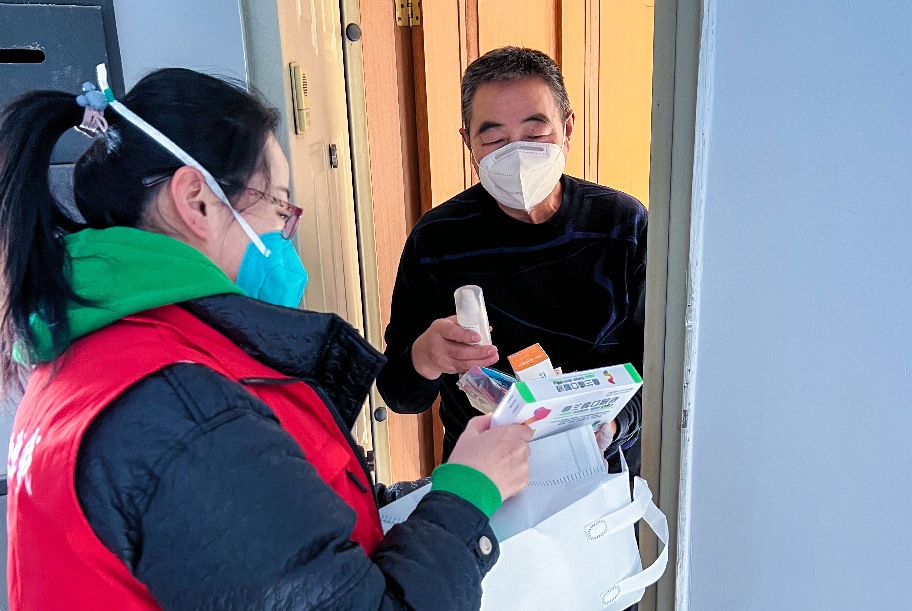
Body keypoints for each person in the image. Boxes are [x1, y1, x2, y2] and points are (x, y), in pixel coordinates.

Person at [0, 67, 532, 610]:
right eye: (278, 206)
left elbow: (278, 531)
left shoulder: (115, 353)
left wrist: (407, 501)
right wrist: (466, 495)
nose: (285, 235)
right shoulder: (179, 408)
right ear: (197, 200)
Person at [377, 47, 646, 477]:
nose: (517, 154)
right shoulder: (438, 240)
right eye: (495, 140)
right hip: (484, 481)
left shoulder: (622, 225)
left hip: (605, 475)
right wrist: (426, 356)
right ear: (469, 143)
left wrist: (612, 424)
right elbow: (398, 394)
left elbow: (661, 364)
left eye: (535, 133)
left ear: (567, 128)